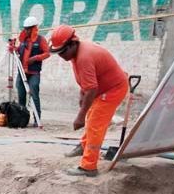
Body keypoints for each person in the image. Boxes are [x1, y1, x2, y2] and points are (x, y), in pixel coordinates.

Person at [50, 24, 128, 177]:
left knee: (94, 125)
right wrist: (82, 95)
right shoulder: (75, 53)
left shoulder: (84, 57)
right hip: (102, 88)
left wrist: (80, 116)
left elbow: (92, 88)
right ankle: (84, 147)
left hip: (113, 89)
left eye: (62, 52)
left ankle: (89, 167)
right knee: (92, 117)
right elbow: (87, 81)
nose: (61, 56)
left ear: (72, 43)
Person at [15, 15, 49, 121]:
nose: (26, 31)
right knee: (21, 95)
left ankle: (37, 119)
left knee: (34, 95)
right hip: (22, 72)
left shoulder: (41, 40)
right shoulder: (23, 40)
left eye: (28, 29)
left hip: (34, 73)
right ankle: (22, 118)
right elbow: (19, 50)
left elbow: (47, 53)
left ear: (33, 28)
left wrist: (35, 58)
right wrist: (14, 49)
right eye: (25, 29)